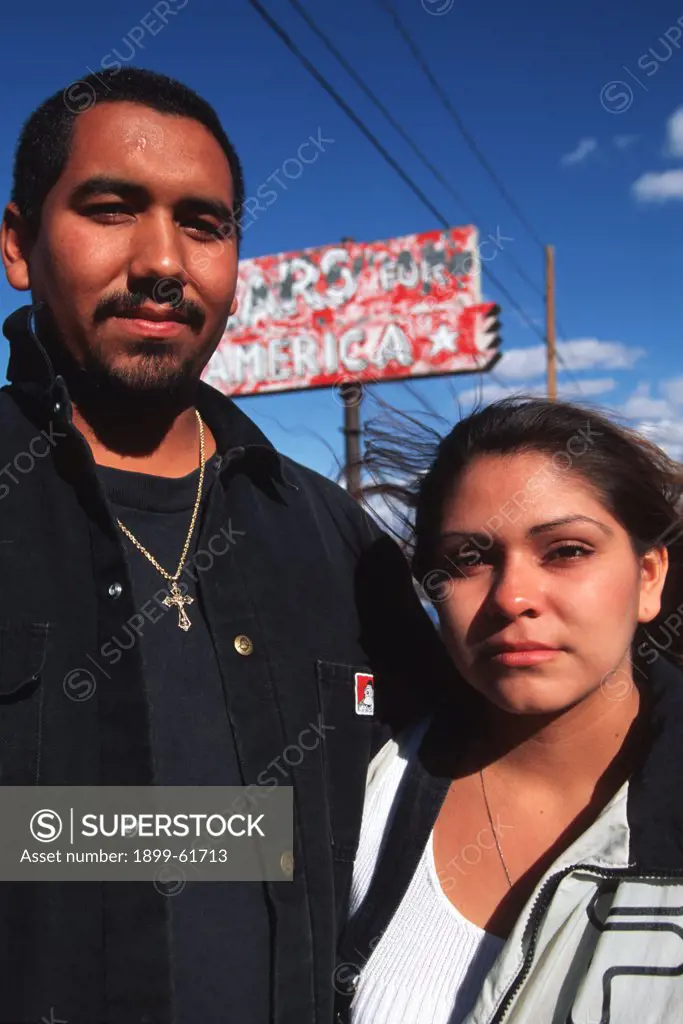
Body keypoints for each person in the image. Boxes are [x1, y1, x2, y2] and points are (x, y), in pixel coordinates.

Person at [0, 67, 443, 1024]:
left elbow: (476, 757)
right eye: (112, 208)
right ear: (17, 243)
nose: (163, 259)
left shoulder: (333, 537)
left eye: (204, 224)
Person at [336, 396, 683, 1024]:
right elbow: (137, 844)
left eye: (567, 550)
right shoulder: (359, 774)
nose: (512, 597)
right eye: (469, 559)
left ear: (651, 578)